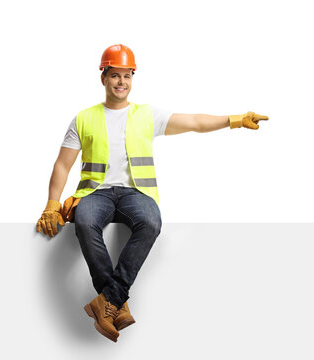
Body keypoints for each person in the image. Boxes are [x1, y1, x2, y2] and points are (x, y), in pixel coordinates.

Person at [36, 44, 269, 342]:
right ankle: (113, 303)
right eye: (115, 75)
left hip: (137, 193)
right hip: (95, 192)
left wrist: (234, 120)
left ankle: (107, 300)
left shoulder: (147, 115)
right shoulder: (83, 118)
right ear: (103, 78)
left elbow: (195, 122)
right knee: (84, 221)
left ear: (132, 79)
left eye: (127, 76)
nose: (121, 82)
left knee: (151, 223)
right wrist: (52, 204)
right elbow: (62, 164)